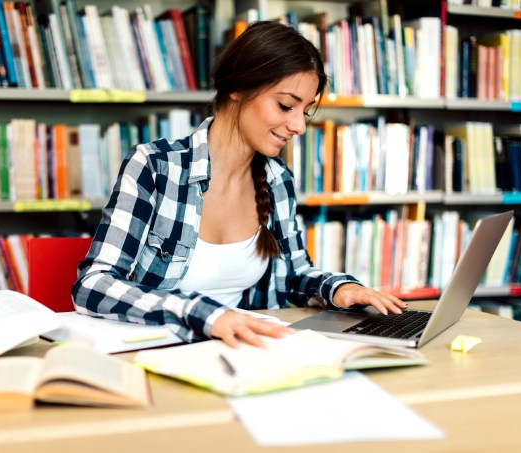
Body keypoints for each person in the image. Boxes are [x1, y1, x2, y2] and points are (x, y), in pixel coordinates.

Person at [72, 21, 407, 348]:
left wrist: (339, 289)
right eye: (286, 105)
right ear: (237, 88)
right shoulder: (156, 166)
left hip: (247, 352)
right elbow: (93, 285)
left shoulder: (277, 179)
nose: (299, 127)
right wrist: (204, 314)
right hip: (162, 352)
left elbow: (293, 275)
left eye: (304, 112)